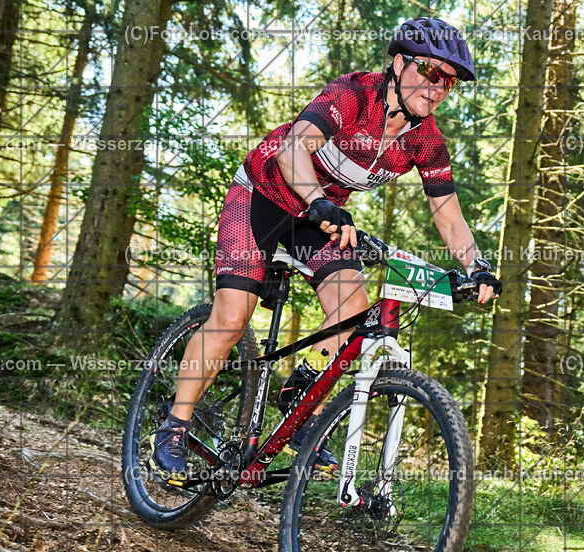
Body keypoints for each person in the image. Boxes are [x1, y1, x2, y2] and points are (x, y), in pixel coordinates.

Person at [150, 17, 502, 485]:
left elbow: (448, 214)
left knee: (354, 311)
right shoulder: (353, 95)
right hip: (263, 198)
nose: (439, 87)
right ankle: (175, 425)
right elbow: (293, 149)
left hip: (318, 216)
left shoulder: (426, 140)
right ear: (399, 64)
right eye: (431, 72)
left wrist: (476, 267)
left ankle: (300, 397)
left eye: (449, 81)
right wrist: (318, 201)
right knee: (233, 316)